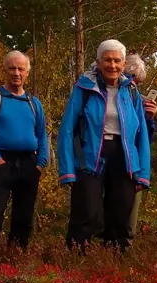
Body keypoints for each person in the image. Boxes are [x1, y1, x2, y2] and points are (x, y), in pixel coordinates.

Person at [56, 39, 151, 252]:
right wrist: (67, 171)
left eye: (117, 60)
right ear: (98, 62)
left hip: (124, 159)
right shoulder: (84, 88)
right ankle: (76, 258)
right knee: (87, 211)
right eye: (107, 60)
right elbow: (67, 129)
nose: (112, 65)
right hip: (89, 158)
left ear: (124, 64)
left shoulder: (131, 91)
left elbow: (141, 133)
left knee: (120, 212)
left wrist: (143, 173)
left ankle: (113, 263)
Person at [0, 51, 47, 250]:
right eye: (12, 68)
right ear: (5, 70)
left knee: (24, 215)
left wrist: (40, 163)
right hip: (2, 160)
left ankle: (17, 256)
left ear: (27, 72)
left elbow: (42, 136)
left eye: (21, 69)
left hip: (29, 164)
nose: (16, 73)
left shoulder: (34, 103)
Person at [124, 52, 157, 235]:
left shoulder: (138, 100)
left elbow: (145, 140)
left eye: (138, 84)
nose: (135, 88)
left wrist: (149, 119)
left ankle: (121, 257)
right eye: (133, 81)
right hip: (108, 165)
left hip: (134, 166)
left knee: (129, 222)